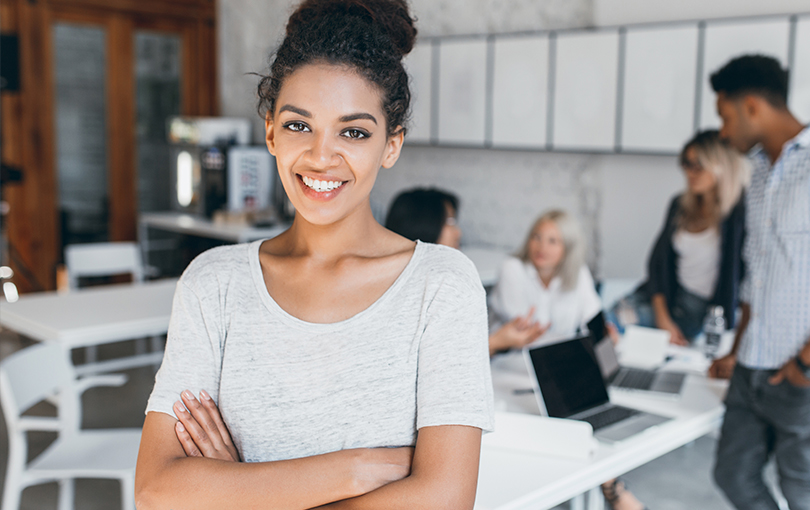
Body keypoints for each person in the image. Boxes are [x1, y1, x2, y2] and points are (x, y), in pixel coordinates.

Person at [134, 1, 494, 509]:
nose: (322, 156)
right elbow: (156, 491)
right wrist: (356, 470)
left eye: (354, 132)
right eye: (300, 125)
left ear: (391, 145)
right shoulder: (213, 284)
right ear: (270, 133)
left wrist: (237, 488)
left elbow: (445, 499)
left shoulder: (441, 285)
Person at [707, 55, 810, 510]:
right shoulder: (760, 175)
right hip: (752, 365)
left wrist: (804, 367)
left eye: (725, 117)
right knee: (732, 474)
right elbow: (756, 276)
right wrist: (737, 348)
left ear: (751, 106)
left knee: (801, 492)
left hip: (799, 374)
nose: (724, 133)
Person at [608, 130, 749, 345]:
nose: (690, 172)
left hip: (696, 310)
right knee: (606, 321)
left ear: (720, 165)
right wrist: (662, 317)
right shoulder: (680, 206)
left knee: (617, 327)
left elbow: (740, 277)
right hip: (663, 297)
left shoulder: (738, 215)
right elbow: (657, 264)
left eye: (698, 165)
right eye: (686, 163)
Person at [385, 187, 546, 355]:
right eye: (451, 222)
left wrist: (500, 340)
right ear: (424, 224)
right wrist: (497, 341)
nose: (458, 232)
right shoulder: (406, 293)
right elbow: (441, 359)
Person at [488, 209, 602, 339]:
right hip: (514, 353)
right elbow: (529, 329)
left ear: (568, 248)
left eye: (552, 241)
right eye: (536, 237)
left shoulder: (579, 272)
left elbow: (592, 317)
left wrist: (603, 333)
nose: (542, 247)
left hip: (559, 353)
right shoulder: (512, 268)